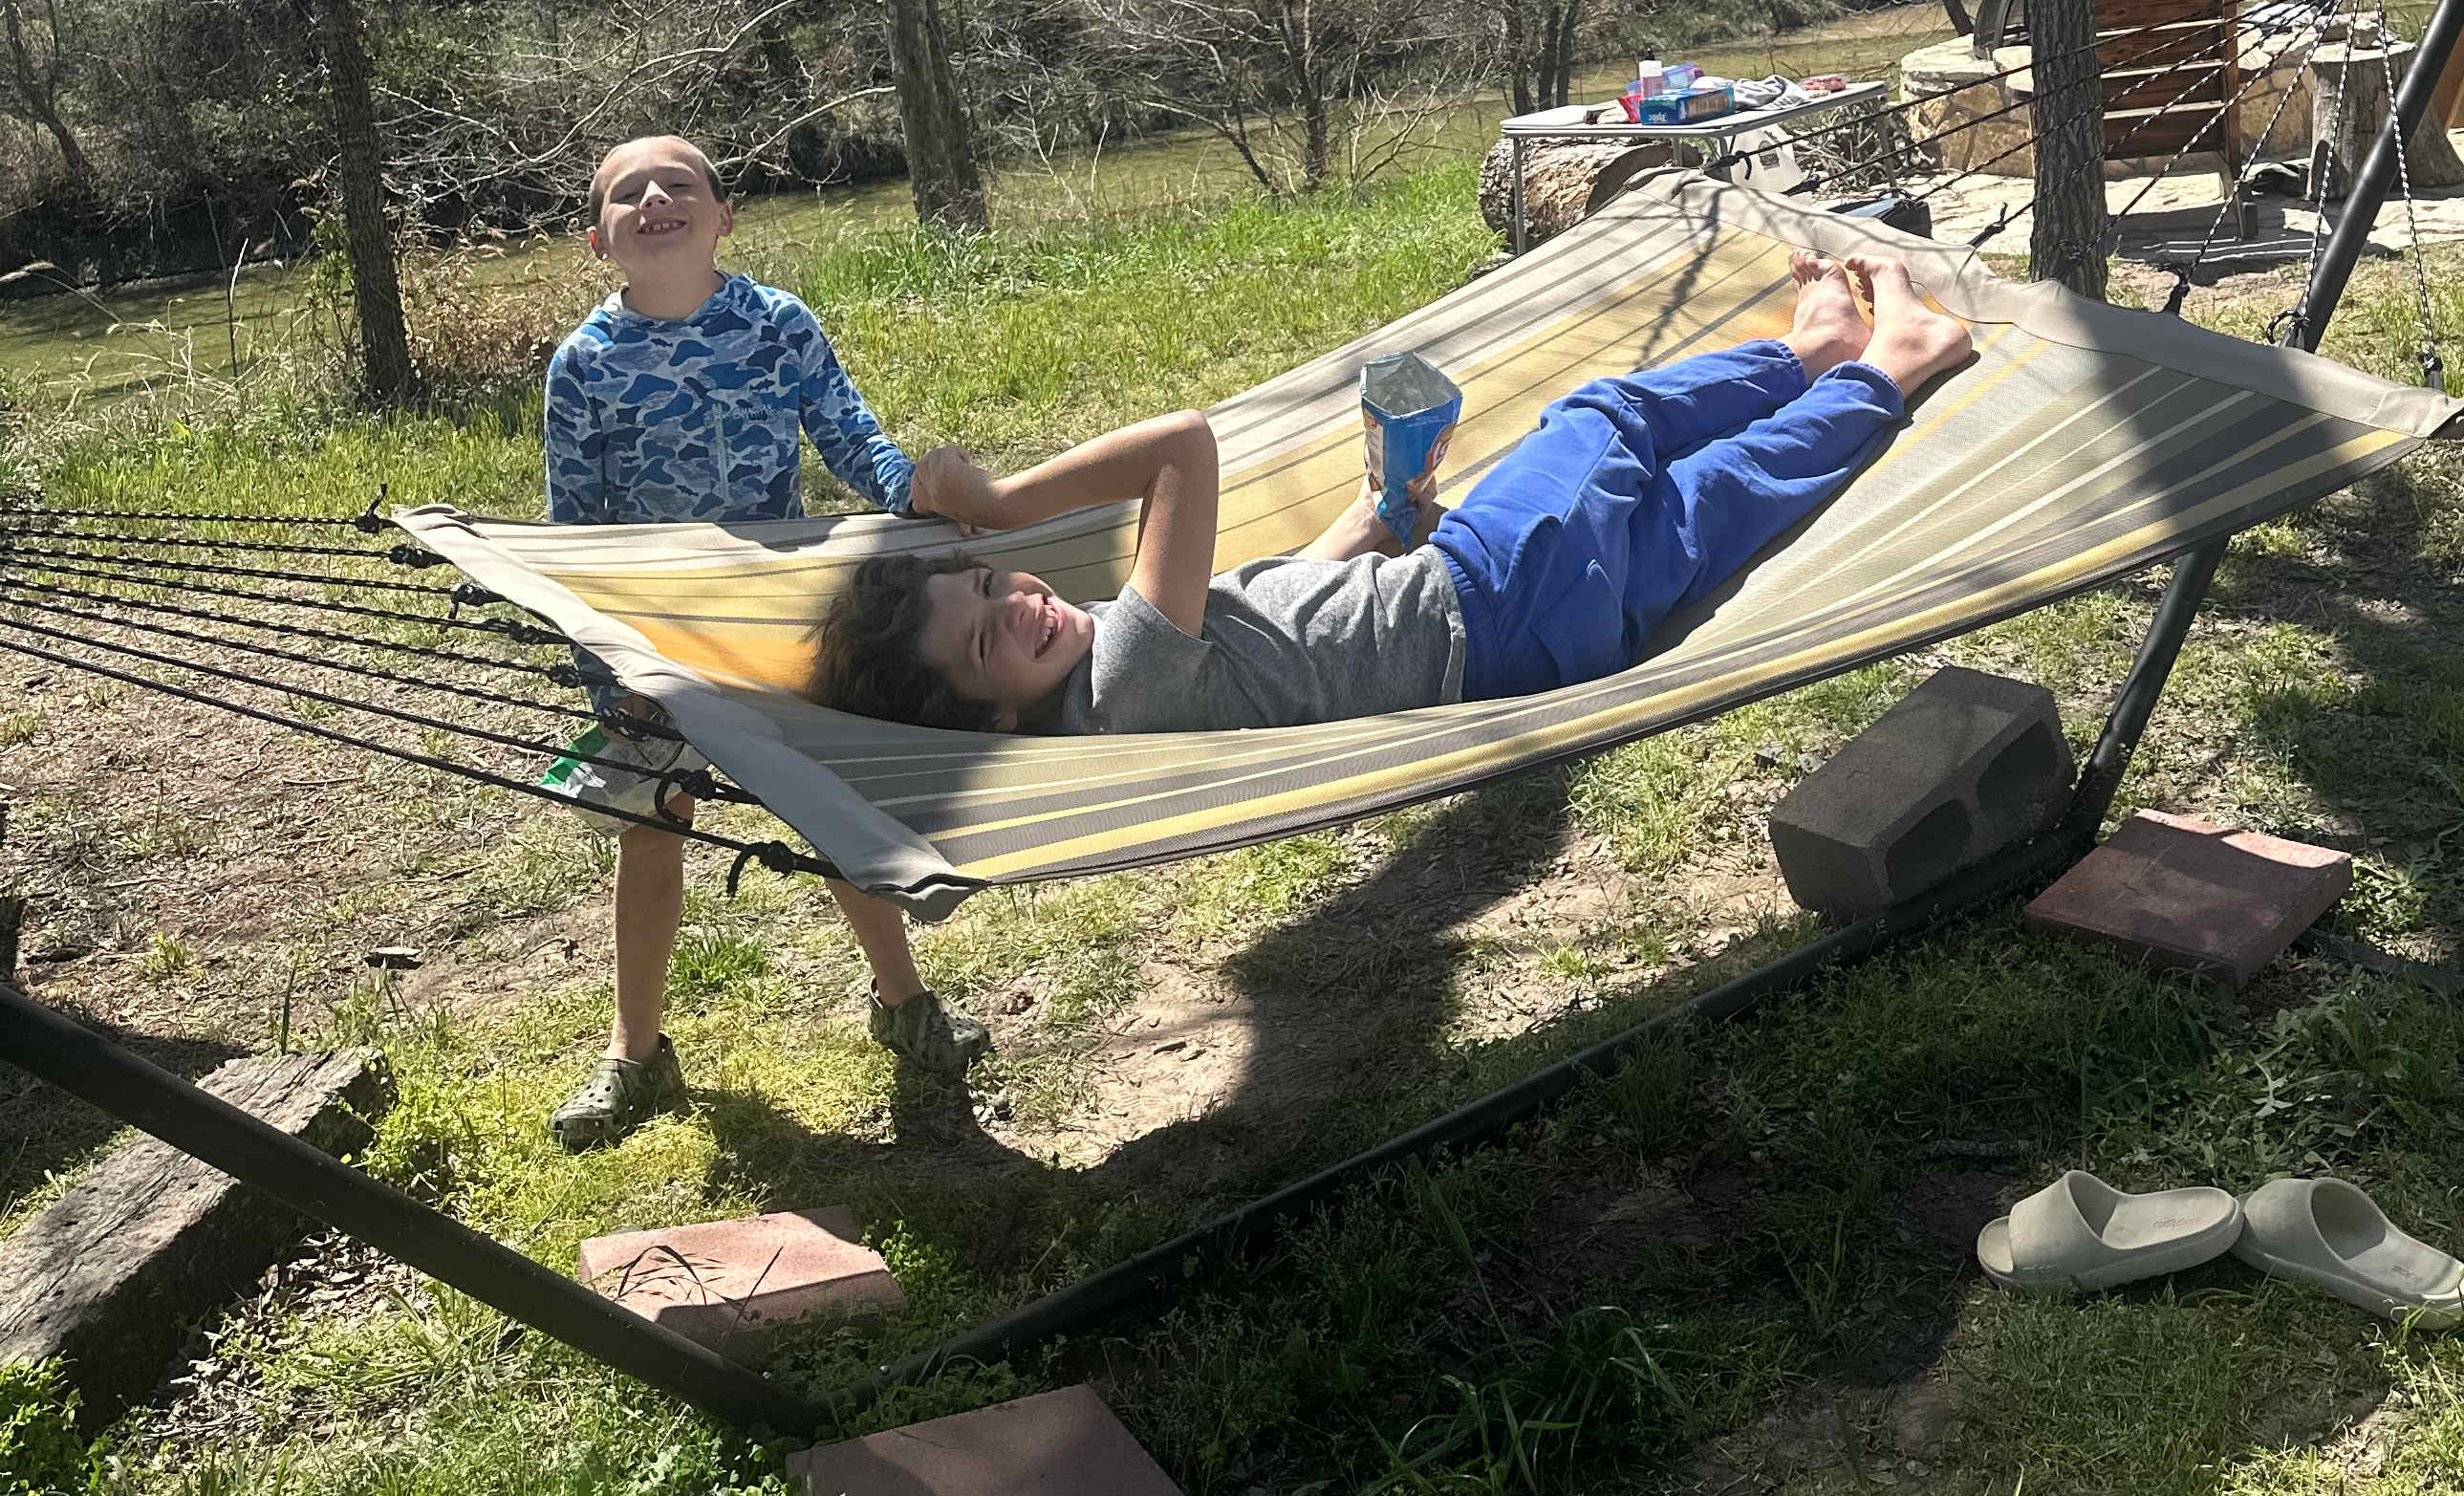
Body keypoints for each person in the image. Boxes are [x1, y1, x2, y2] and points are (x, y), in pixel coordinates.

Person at [805, 253, 1976, 741]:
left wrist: (1376, 512)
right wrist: (1002, 504)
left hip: (1524, 642)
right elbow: (1183, 448)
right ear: (992, 717)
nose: (1017, 602)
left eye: (990, 581)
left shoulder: (1109, 679)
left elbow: (1272, 629)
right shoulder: (1120, 687)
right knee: (1603, 420)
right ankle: (1816, 354)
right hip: (1485, 594)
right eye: (984, 639)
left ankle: (1883, 371)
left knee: (1709, 501)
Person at [542, 131, 987, 1150]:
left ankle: (902, 1001)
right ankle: (636, 1056)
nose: (656, 197)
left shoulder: (778, 324)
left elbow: (850, 438)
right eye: (628, 193)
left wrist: (917, 494)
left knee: (830, 808)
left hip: (776, 613)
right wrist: (608, 674)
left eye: (680, 183)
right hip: (653, 635)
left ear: (724, 215)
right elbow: (575, 533)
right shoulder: (585, 366)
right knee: (658, 828)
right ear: (598, 240)